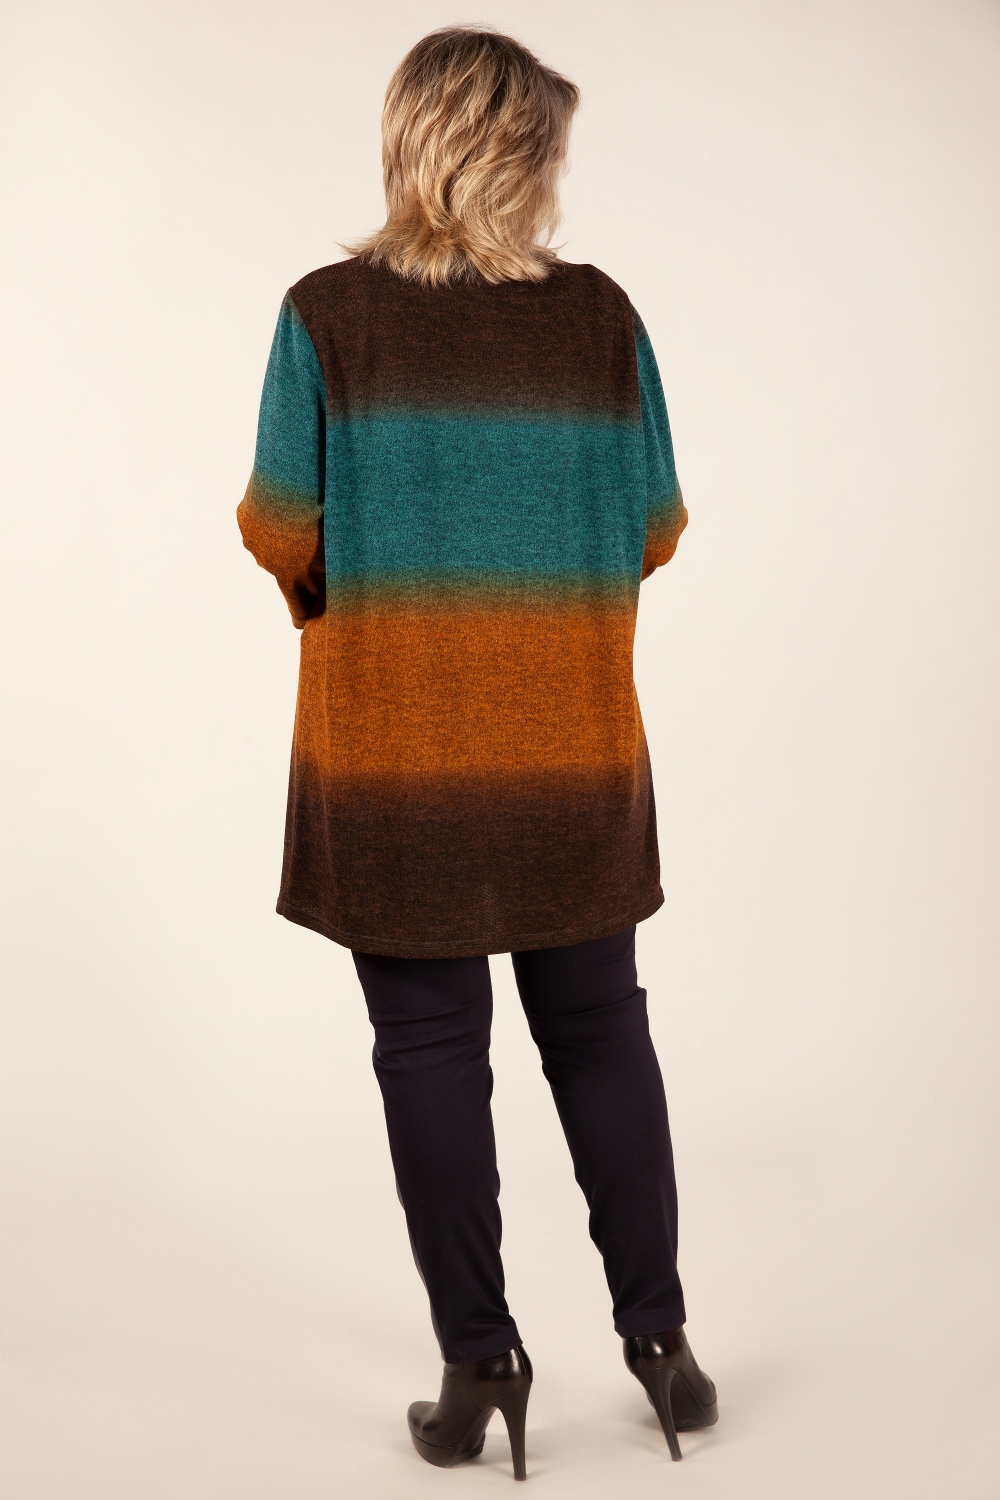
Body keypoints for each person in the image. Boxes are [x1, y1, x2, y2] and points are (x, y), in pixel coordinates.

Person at [237, 25, 717, 1480]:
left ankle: (481, 1364)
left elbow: (277, 521)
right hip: (571, 750)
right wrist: (550, 585)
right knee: (603, 1031)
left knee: (430, 1053)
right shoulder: (599, 319)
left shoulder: (327, 316)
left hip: (397, 758)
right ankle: (662, 1347)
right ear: (521, 155)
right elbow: (658, 521)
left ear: (414, 140)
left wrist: (368, 587)